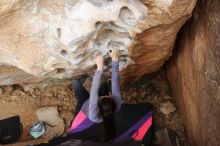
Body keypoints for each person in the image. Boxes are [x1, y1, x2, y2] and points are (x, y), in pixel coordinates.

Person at [70, 47, 122, 142]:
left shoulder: (93, 115)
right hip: (96, 103)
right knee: (106, 85)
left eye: (107, 96)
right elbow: (116, 83)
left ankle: (78, 82)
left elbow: (94, 91)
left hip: (84, 107)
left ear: (98, 104)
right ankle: (107, 84)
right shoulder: (117, 105)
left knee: (75, 84)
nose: (108, 95)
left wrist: (99, 68)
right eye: (109, 96)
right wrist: (115, 60)